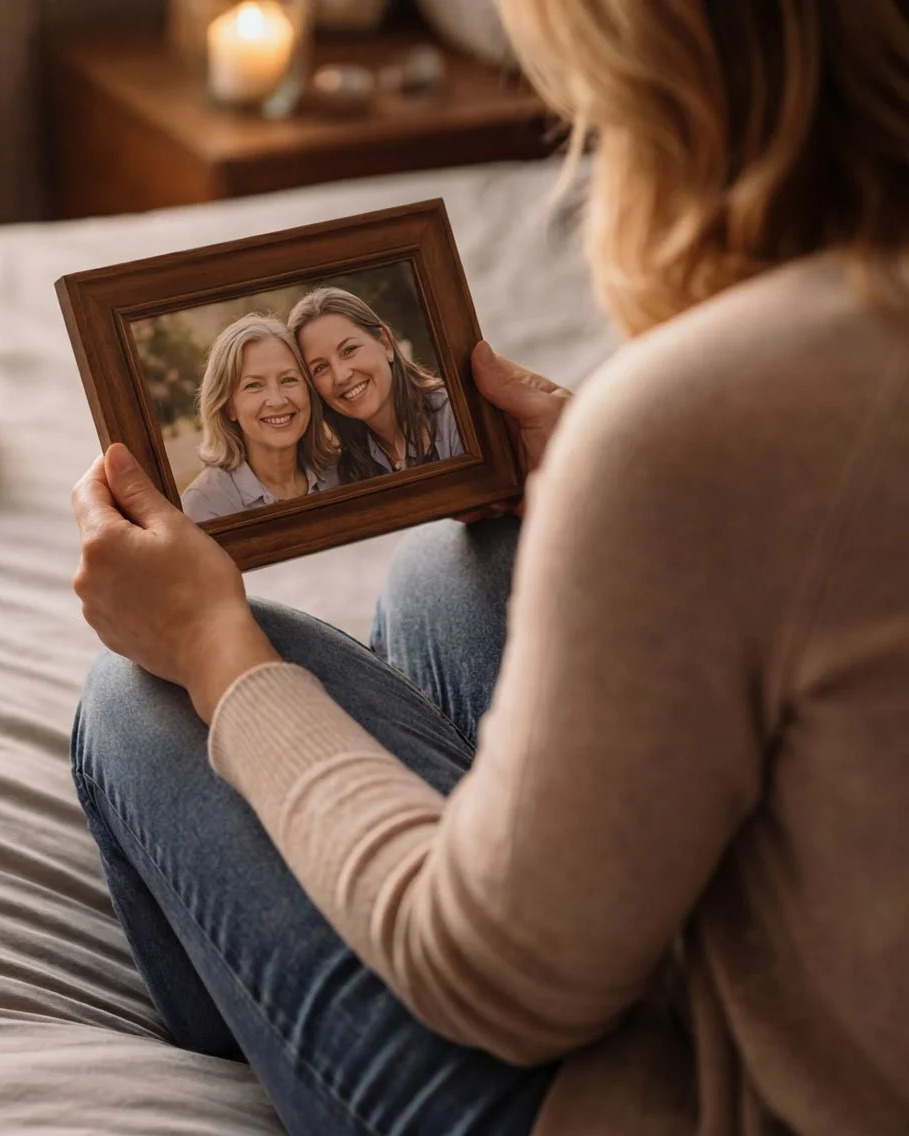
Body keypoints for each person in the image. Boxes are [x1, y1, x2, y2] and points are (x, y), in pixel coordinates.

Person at [68, 0, 909, 1133]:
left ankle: (254, 1002)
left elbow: (495, 984)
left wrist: (214, 650)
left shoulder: (721, 408)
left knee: (143, 696)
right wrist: (623, 499)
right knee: (458, 569)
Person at [288, 287, 464, 481]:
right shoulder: (343, 468)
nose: (341, 376)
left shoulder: (458, 416)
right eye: (320, 367)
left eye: (349, 350)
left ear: (385, 343)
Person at [178, 314, 339, 523]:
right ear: (228, 407)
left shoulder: (340, 473)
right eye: (254, 385)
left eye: (288, 379)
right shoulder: (205, 505)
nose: (277, 400)